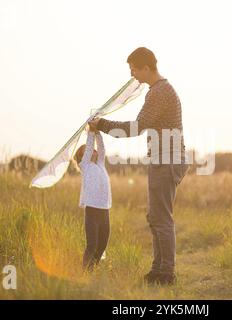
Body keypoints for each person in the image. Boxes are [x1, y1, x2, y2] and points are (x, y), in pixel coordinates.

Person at [88, 47, 189, 285]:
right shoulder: (159, 90)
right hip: (163, 158)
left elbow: (136, 127)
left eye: (133, 68)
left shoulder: (159, 92)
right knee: (155, 216)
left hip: (166, 159)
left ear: (146, 67)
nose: (132, 74)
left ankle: (167, 273)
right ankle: (158, 269)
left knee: (161, 218)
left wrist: (101, 124)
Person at [74, 128, 112, 271]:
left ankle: (92, 269)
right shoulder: (85, 166)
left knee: (102, 244)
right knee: (92, 245)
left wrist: (97, 132)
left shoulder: (100, 164)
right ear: (82, 156)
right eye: (89, 151)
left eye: (94, 150)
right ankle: (85, 271)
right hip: (92, 211)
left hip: (104, 210)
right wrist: (90, 133)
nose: (94, 150)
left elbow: (101, 148)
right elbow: (90, 147)